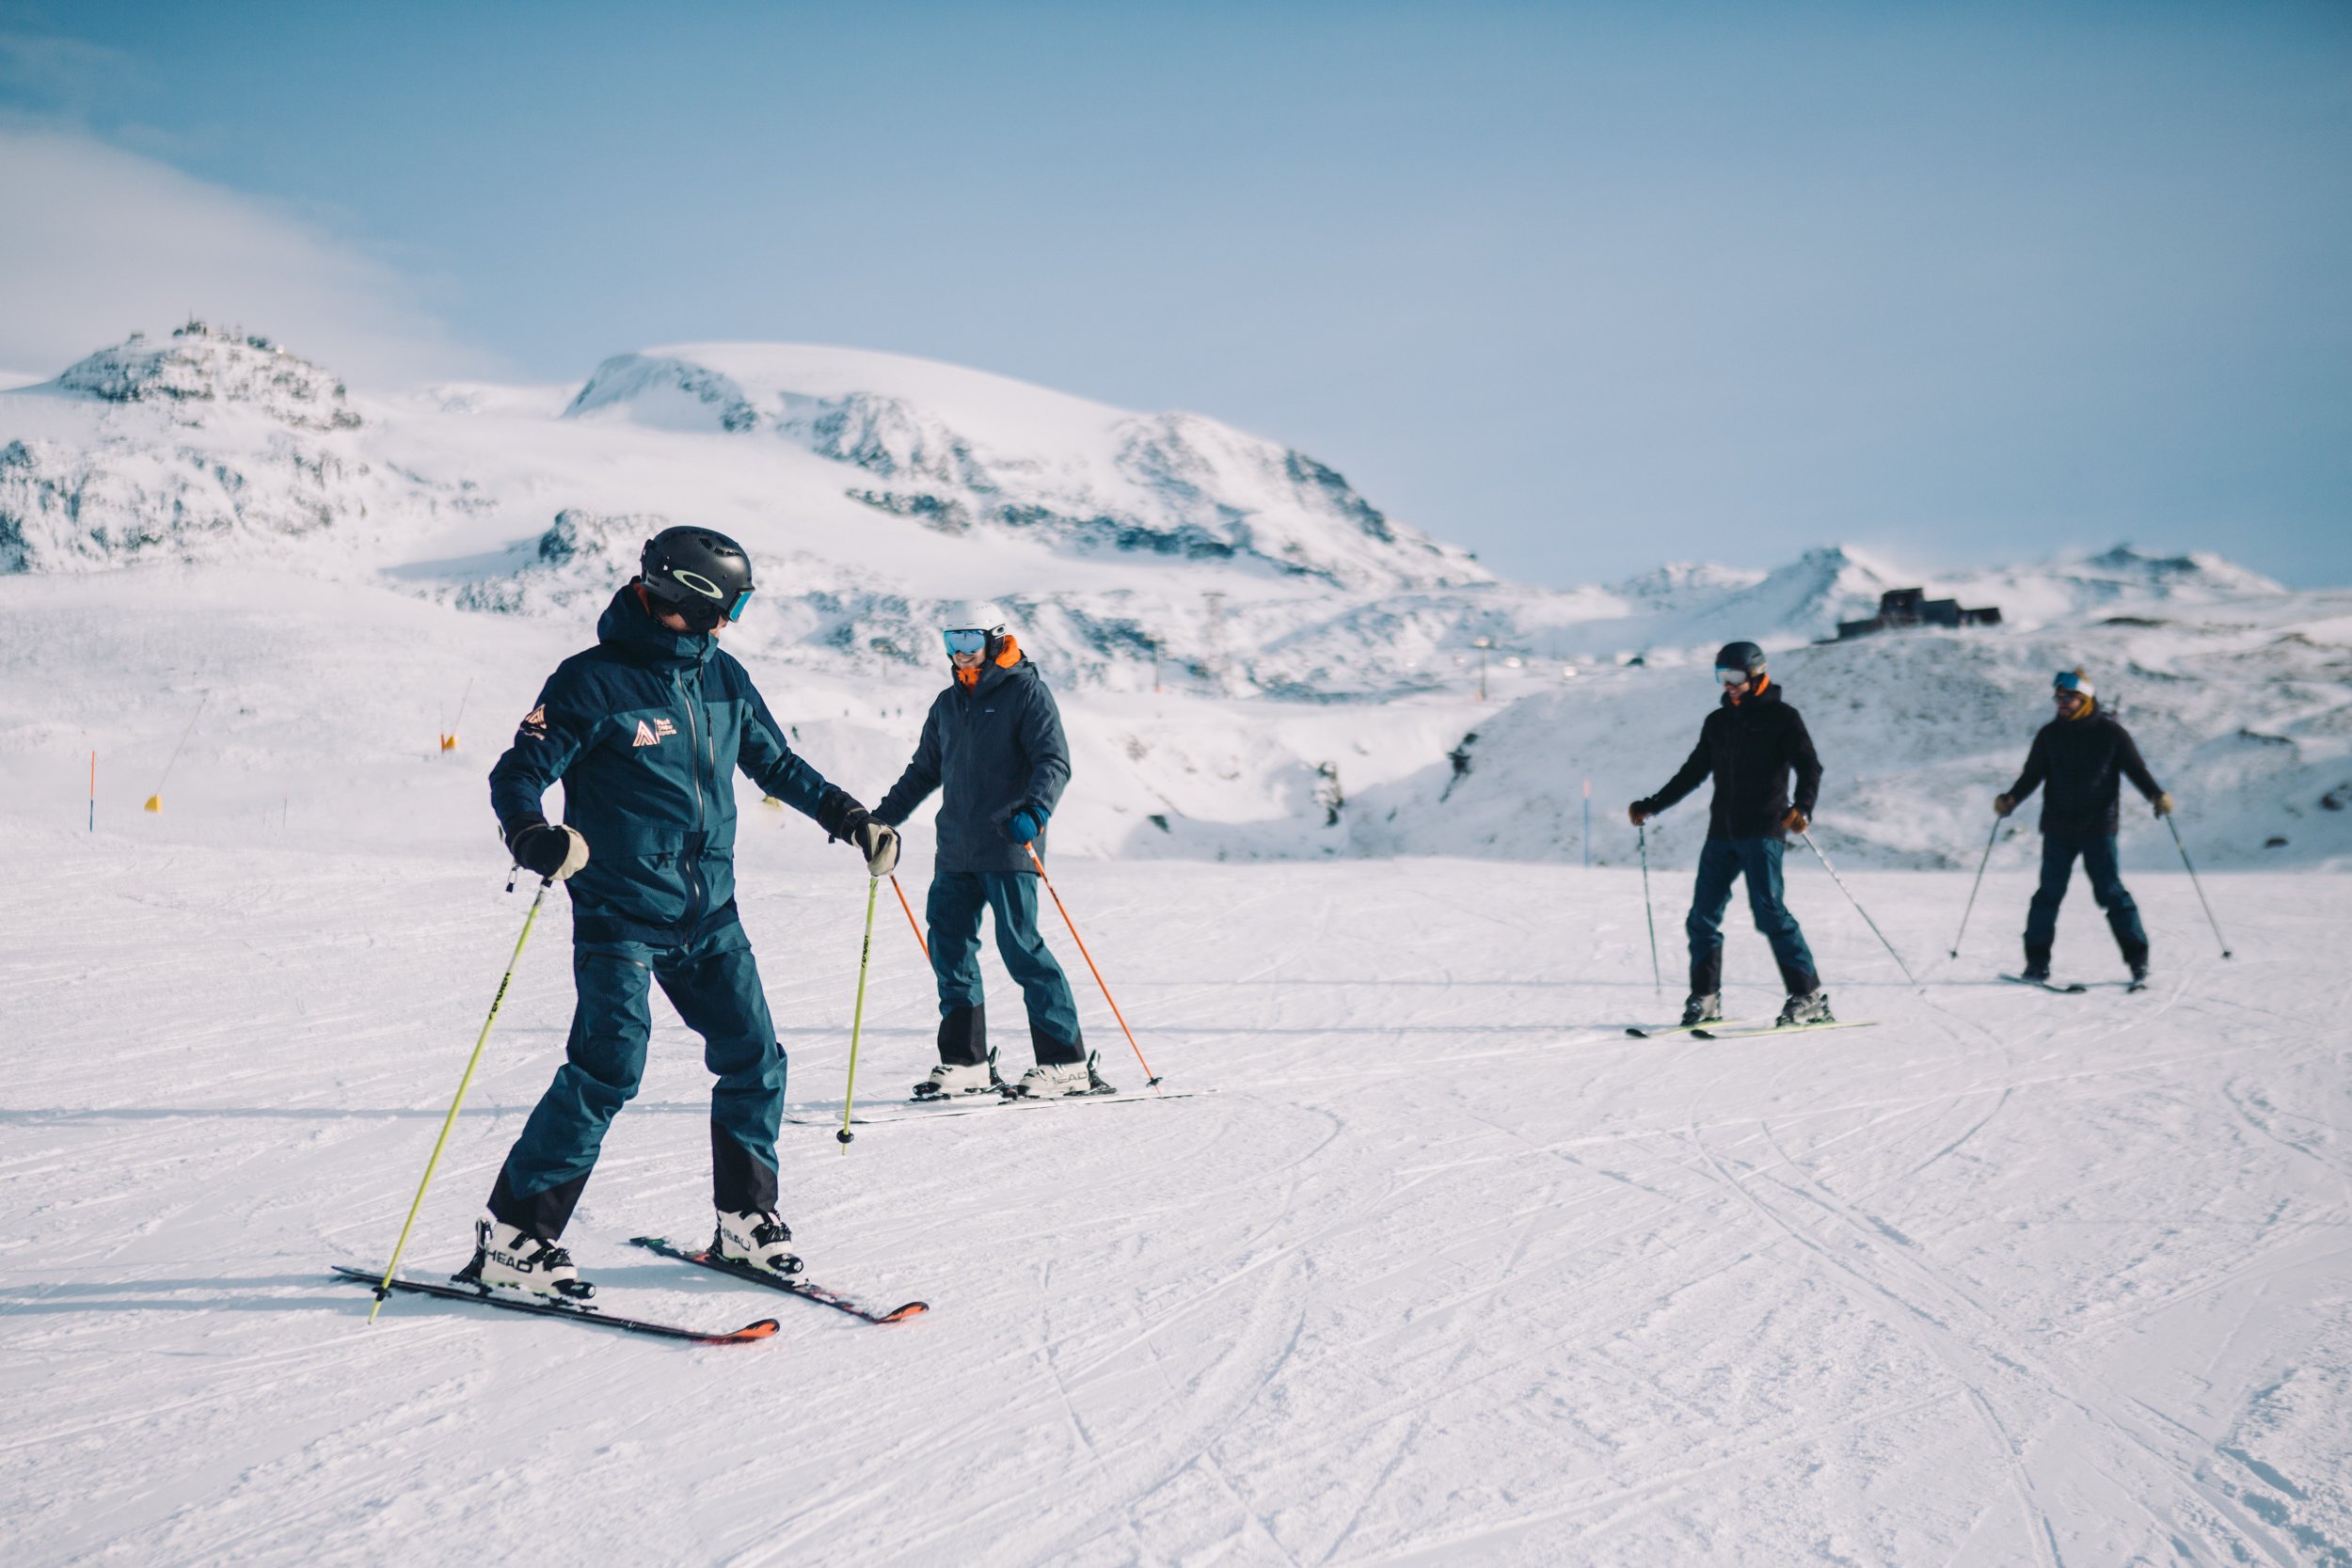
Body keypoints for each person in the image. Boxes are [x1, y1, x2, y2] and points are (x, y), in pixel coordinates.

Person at [462, 527, 898, 1301]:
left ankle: (745, 1219)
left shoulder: (722, 677)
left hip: (709, 913)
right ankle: (515, 1236)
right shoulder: (592, 683)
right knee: (608, 1070)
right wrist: (535, 835)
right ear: (688, 599)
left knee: (754, 1057)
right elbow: (519, 772)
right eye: (728, 606)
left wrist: (850, 816)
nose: (732, 622)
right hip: (620, 914)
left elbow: (776, 763)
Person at [872, 610, 1097, 1100]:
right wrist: (881, 819)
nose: (959, 648)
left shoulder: (1026, 693)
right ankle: (965, 1061)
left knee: (1022, 950)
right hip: (956, 849)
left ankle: (1065, 1062)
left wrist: (1035, 811)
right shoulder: (948, 704)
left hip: (1011, 844)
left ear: (995, 640)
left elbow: (1053, 760)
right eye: (951, 637)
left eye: (969, 637)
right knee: (949, 951)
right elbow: (922, 771)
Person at [1629, 641, 1830, 1029]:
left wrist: (1802, 807)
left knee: (1770, 913)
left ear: (1756, 674)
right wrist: (1653, 804)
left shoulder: (1783, 718)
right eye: (1721, 677)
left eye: (1734, 677)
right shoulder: (1717, 722)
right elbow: (1692, 773)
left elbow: (1810, 767)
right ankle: (1705, 999)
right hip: (1721, 833)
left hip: (1764, 830)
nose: (1728, 685)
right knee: (1701, 918)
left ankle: (1809, 997)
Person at [1994, 669, 2172, 984]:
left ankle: (2138, 961)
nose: (2061, 703)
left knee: (2111, 893)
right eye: (2058, 698)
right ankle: (2036, 964)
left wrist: (2156, 795)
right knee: (2047, 896)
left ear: (2085, 699)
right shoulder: (2049, 735)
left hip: (2099, 828)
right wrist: (2011, 800)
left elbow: (2136, 770)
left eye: (2068, 698)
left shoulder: (2112, 734)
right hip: (2057, 828)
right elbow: (2032, 775)